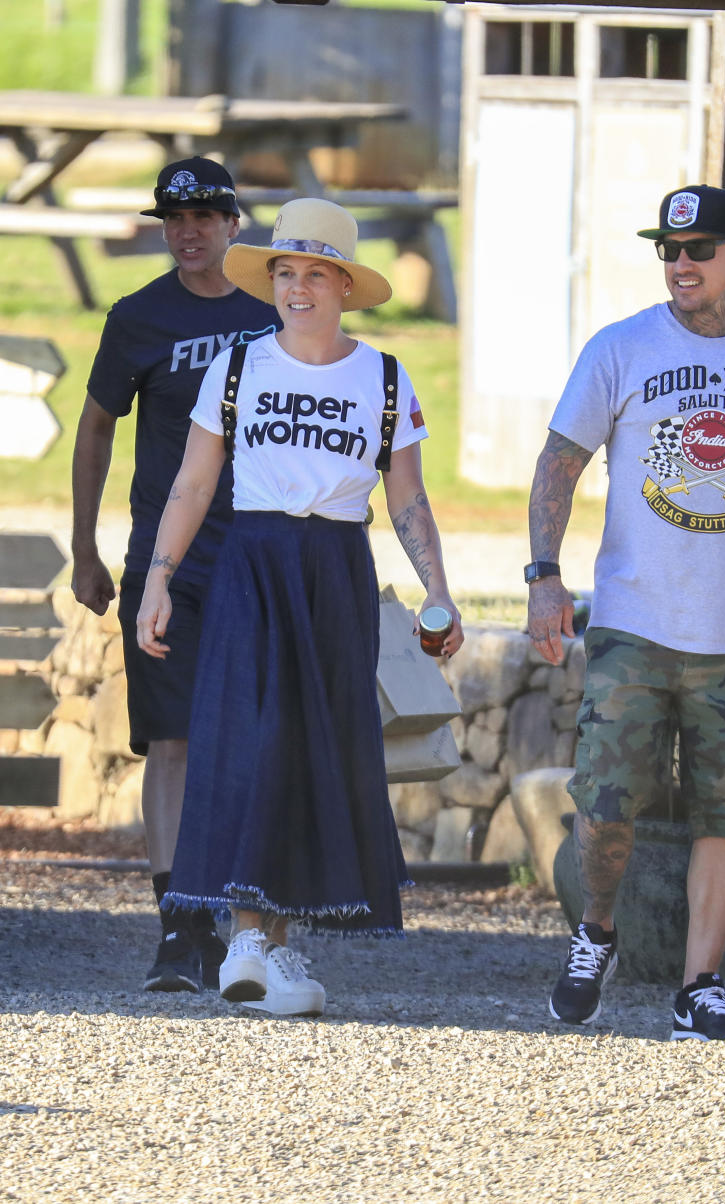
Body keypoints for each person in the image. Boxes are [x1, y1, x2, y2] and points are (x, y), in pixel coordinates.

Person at [526, 184, 725, 1042]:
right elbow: (560, 462)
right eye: (668, 250)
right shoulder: (620, 348)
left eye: (700, 249)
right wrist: (544, 577)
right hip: (634, 622)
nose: (680, 264)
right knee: (607, 804)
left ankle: (700, 989)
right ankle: (596, 931)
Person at [135, 197, 464, 1017]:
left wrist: (439, 589)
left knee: (311, 749)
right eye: (286, 271)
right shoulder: (239, 368)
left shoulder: (384, 377)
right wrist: (157, 580)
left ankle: (272, 948)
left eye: (316, 273)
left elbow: (409, 501)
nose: (298, 288)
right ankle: (248, 938)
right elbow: (194, 482)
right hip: (251, 562)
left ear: (345, 286)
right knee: (251, 740)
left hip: (333, 567)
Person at [71, 157, 279, 994]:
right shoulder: (137, 318)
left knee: (263, 739)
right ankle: (179, 928)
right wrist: (84, 548)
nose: (188, 231)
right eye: (173, 218)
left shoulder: (277, 310)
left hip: (265, 557)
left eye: (205, 215)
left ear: (236, 224)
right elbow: (94, 431)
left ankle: (254, 927)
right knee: (173, 740)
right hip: (169, 563)